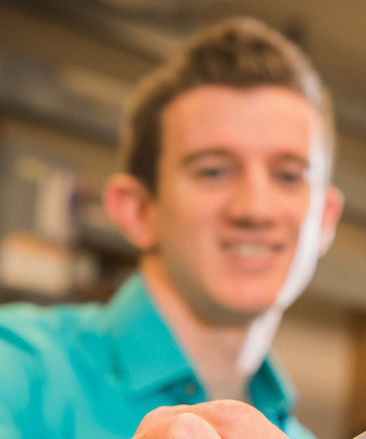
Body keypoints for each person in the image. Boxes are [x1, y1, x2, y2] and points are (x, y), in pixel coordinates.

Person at [0, 17, 343, 439]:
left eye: (289, 176)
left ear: (325, 219)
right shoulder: (17, 371)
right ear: (138, 211)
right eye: (214, 171)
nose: (256, 208)